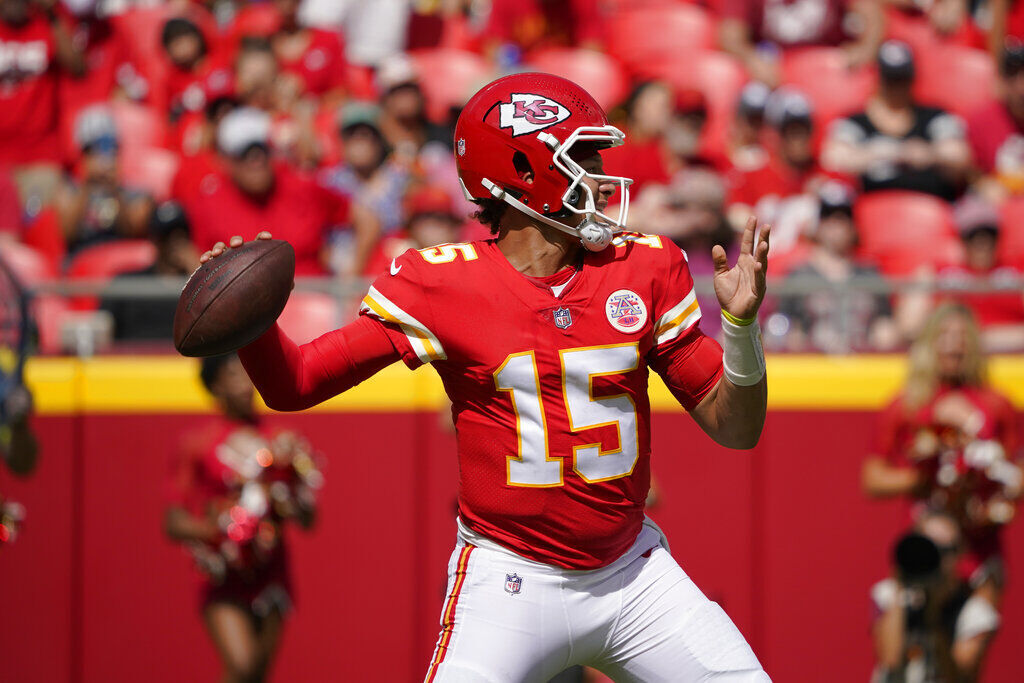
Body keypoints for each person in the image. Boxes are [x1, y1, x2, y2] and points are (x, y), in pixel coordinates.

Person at [201, 73, 772, 682]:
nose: (601, 174)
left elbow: (737, 429)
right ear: (523, 170)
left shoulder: (644, 266)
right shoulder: (442, 282)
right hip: (511, 581)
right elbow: (297, 383)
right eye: (581, 155)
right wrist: (254, 324)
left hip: (632, 573)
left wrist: (739, 328)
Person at [862, 303, 1021, 675]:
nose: (955, 347)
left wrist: (995, 481)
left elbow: (1016, 474)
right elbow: (872, 479)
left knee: (965, 662)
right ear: (930, 344)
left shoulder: (997, 405)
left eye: (963, 338)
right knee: (898, 657)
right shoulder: (908, 405)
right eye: (946, 337)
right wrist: (925, 474)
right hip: (925, 550)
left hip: (978, 551)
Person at [165, 353, 320, 683]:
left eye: (249, 373)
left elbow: (308, 519)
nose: (246, 383)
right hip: (222, 578)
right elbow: (173, 520)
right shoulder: (198, 443)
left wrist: (293, 483)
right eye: (235, 375)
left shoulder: (280, 440)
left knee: (257, 676)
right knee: (241, 667)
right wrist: (222, 533)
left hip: (271, 576)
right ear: (215, 386)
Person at [183, 106, 366, 276]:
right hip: (247, 305)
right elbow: (197, 261)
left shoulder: (302, 186)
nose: (256, 159)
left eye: (261, 149)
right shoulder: (208, 204)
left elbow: (366, 220)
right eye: (244, 153)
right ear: (226, 159)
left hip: (313, 300)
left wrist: (350, 282)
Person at [823, 40, 970, 201]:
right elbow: (832, 161)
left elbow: (960, 158)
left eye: (902, 79)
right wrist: (891, 153)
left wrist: (930, 154)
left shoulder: (935, 118)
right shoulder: (854, 123)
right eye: (891, 80)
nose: (897, 88)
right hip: (871, 208)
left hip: (929, 203)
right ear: (878, 79)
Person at [870, 511, 1001, 682]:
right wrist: (900, 585)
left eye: (945, 550)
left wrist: (935, 615)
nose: (937, 558)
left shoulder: (976, 613)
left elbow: (958, 676)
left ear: (961, 552)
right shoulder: (888, 594)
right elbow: (890, 659)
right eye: (928, 548)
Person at [774, 183, 898, 352]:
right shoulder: (798, 275)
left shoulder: (870, 274)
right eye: (829, 217)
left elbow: (885, 324)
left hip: (863, 362)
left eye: (843, 218)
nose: (836, 225)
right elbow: (787, 326)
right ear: (819, 224)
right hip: (813, 365)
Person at [54, 105, 153, 256]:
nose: (103, 157)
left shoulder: (135, 195)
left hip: (124, 263)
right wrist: (87, 184)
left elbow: (133, 234)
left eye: (110, 149)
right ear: (82, 155)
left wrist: (115, 188)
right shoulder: (68, 191)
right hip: (81, 259)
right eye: (93, 151)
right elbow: (68, 234)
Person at [719, 0, 884, 87]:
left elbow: (872, 14)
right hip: (774, 72)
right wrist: (752, 59)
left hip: (830, 72)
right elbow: (730, 35)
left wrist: (864, 50)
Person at [100, 201, 198, 341]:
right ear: (155, 241)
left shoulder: (197, 288)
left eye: (180, 236)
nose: (174, 243)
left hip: (184, 361)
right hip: (133, 360)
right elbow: (102, 333)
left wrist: (197, 276)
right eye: (166, 237)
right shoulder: (128, 284)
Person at [936, 195, 1024, 352]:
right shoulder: (944, 274)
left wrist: (979, 339)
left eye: (989, 236)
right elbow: (914, 328)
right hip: (956, 360)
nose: (982, 243)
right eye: (973, 237)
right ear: (962, 241)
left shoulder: (1016, 273)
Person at [967, 41, 1024, 201]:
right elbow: (972, 174)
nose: (1021, 87)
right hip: (997, 207)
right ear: (1001, 80)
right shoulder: (981, 121)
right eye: (1012, 75)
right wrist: (982, 184)